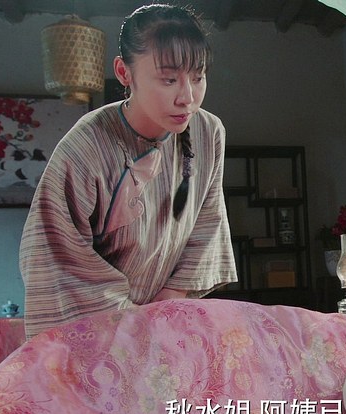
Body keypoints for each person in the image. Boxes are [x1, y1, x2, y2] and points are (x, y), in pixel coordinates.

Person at [19, 4, 236, 339]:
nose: (188, 98)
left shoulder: (208, 133)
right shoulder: (86, 144)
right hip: (96, 327)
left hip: (167, 318)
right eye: (169, 79)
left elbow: (207, 224)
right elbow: (56, 252)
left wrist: (166, 306)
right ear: (124, 72)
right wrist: (133, 324)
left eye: (197, 77)